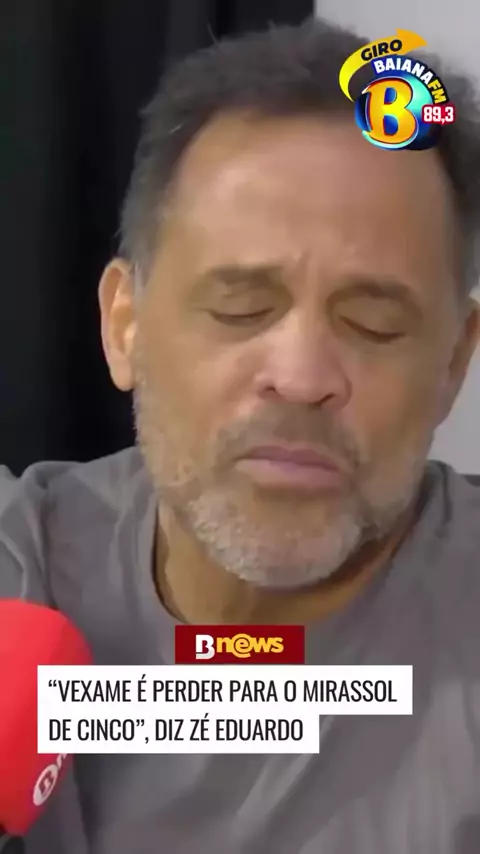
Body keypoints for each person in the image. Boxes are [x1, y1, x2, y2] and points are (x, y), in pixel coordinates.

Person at [2, 16, 480, 854]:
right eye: (240, 307)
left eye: (373, 323)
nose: (301, 375)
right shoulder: (23, 566)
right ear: (124, 325)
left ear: (453, 364)